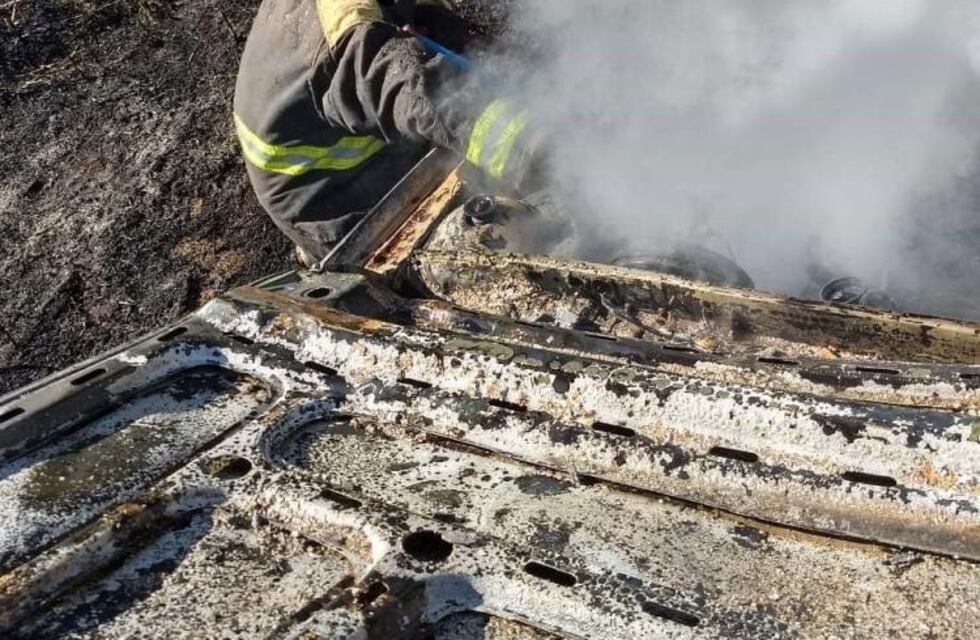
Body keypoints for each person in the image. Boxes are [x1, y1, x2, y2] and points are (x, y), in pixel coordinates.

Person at [234, 0, 539, 264]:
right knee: (500, 248)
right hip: (343, 205)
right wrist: (538, 152)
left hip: (364, 145)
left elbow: (417, 19)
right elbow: (421, 92)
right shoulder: (348, 26)